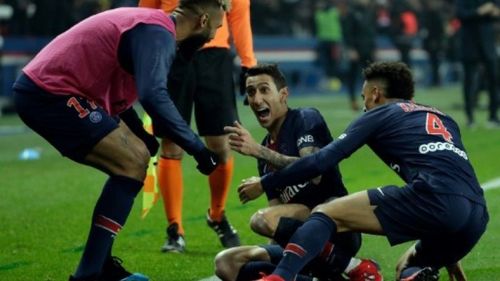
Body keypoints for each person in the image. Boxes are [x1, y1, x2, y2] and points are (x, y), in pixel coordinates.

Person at [12, 2, 226, 280]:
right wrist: (197, 148)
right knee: (131, 163)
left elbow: (118, 94)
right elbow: (154, 95)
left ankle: (101, 266)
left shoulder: (151, 26)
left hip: (50, 90)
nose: (212, 37)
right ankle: (90, 273)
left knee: (137, 158)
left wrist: (140, 133)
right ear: (203, 20)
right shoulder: (158, 33)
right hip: (50, 94)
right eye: (216, 28)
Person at [237, 62, 488, 281]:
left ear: (375, 94)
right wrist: (447, 254)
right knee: (407, 267)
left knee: (326, 212)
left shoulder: (380, 114)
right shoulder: (443, 117)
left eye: (364, 95)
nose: (364, 104)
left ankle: (280, 277)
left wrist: (265, 182)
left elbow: (318, 163)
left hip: (435, 198)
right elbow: (451, 183)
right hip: (476, 214)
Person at [216, 64, 382, 281]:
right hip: (302, 244)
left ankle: (352, 265)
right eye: (251, 92)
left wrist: (259, 152)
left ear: (283, 94)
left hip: (335, 230)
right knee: (226, 262)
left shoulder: (304, 118)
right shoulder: (266, 150)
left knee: (261, 220)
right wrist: (280, 263)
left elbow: (314, 171)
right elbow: (277, 219)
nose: (256, 99)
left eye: (264, 90)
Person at [138, 0, 257, 252]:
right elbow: (146, 10)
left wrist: (248, 63)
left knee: (221, 144)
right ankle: (175, 230)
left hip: (215, 55)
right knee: (170, 143)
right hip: (172, 48)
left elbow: (239, 13)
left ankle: (217, 214)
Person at [456, 0, 499, 128]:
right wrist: (480, 11)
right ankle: (470, 118)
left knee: (494, 80)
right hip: (470, 44)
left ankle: (493, 116)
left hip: (488, 44)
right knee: (469, 82)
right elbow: (461, 14)